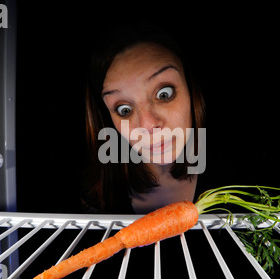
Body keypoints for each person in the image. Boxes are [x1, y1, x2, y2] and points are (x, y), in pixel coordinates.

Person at [81, 23, 206, 214]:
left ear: (191, 89)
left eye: (164, 94)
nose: (147, 125)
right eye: (124, 110)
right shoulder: (96, 198)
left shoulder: (243, 182)